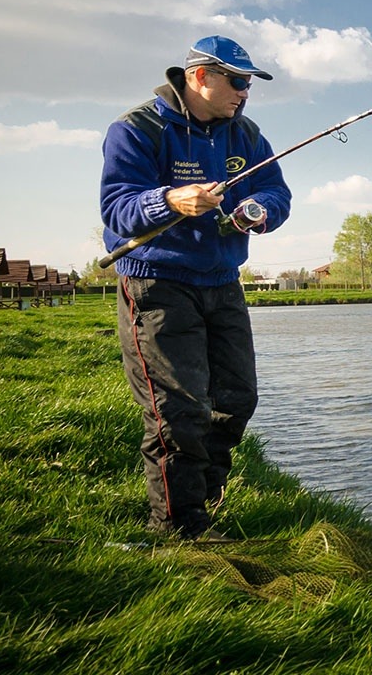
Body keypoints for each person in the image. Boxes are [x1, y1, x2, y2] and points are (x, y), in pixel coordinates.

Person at [100, 36, 292, 540]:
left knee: (237, 398)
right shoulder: (137, 128)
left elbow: (277, 191)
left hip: (223, 281)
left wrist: (261, 211)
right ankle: (178, 528)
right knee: (177, 411)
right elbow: (117, 208)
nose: (245, 92)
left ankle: (202, 500)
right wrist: (170, 201)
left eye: (250, 83)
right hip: (156, 282)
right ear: (200, 76)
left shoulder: (246, 134)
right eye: (238, 81)